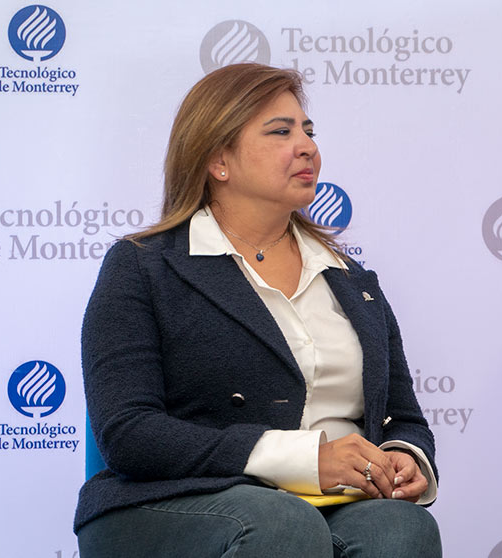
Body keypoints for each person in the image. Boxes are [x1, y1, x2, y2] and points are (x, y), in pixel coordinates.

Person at [75, 63, 441, 558]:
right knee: (282, 526)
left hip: (336, 502)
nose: (307, 146)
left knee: (402, 530)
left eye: (308, 131)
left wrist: (403, 457)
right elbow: (129, 433)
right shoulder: (143, 267)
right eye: (281, 132)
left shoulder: (352, 280)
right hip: (172, 499)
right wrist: (304, 458)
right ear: (218, 159)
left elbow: (403, 417)